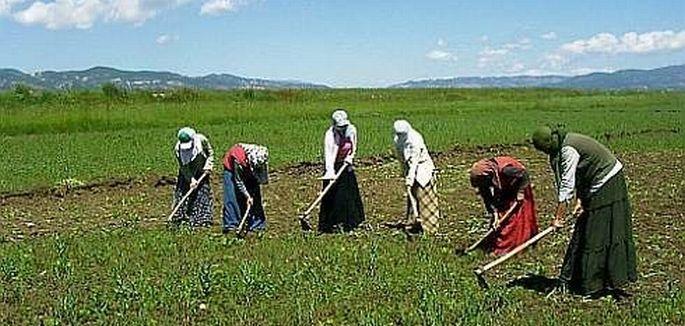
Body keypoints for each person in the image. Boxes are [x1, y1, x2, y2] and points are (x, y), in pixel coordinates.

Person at [532, 126, 637, 297]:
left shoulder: (568, 149)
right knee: (584, 228)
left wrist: (558, 218)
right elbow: (580, 175)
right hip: (594, 183)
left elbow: (567, 185)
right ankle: (574, 279)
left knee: (597, 232)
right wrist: (580, 200)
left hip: (608, 181)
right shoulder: (559, 148)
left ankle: (596, 283)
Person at [469, 156, 538, 255]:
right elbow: (488, 198)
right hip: (504, 188)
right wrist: (495, 215)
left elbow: (524, 174)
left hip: (518, 185)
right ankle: (495, 244)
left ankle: (515, 246)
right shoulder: (486, 180)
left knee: (517, 220)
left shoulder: (506, 170)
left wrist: (520, 192)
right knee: (499, 220)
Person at [318, 109, 365, 233]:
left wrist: (350, 157)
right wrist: (330, 173)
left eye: (344, 126)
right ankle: (332, 224)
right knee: (333, 195)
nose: (342, 129)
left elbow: (353, 146)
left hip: (346, 166)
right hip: (334, 166)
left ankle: (352, 222)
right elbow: (329, 156)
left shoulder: (352, 129)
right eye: (340, 127)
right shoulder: (330, 135)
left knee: (348, 194)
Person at [392, 120, 440, 235]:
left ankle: (429, 228)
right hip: (410, 168)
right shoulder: (398, 139)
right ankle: (413, 222)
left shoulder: (415, 140)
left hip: (423, 168)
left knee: (424, 197)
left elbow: (414, 162)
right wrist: (404, 172)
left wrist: (410, 178)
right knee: (412, 196)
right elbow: (401, 158)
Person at [222, 143, 269, 234]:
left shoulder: (261, 158)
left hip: (249, 169)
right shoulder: (238, 158)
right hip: (231, 169)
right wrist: (247, 196)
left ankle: (257, 226)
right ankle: (231, 225)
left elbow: (262, 178)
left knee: (255, 198)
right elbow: (239, 181)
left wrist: (253, 192)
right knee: (232, 196)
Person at [172, 127, 214, 226]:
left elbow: (210, 153)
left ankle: (201, 218)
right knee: (182, 192)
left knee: (202, 192)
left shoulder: (202, 140)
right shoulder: (178, 149)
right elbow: (183, 167)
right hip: (187, 172)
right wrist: (191, 179)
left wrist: (208, 166)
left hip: (202, 170)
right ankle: (180, 216)